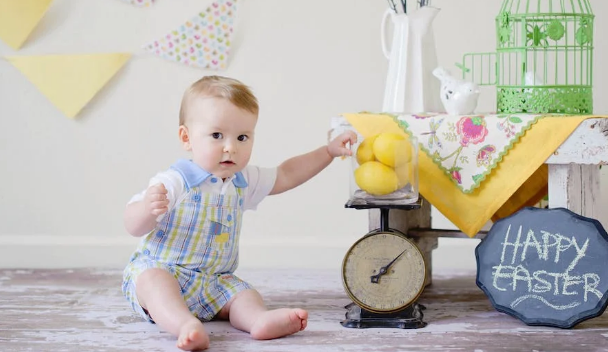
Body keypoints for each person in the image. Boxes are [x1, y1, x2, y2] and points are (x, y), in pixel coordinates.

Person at [122, 75, 357, 351]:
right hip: (165, 271)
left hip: (214, 281)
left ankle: (258, 320)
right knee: (153, 282)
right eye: (217, 135)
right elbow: (132, 225)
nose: (231, 147)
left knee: (243, 294)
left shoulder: (242, 180)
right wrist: (147, 211)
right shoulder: (175, 181)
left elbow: (287, 173)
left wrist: (328, 152)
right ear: (187, 138)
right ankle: (184, 324)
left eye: (242, 137)